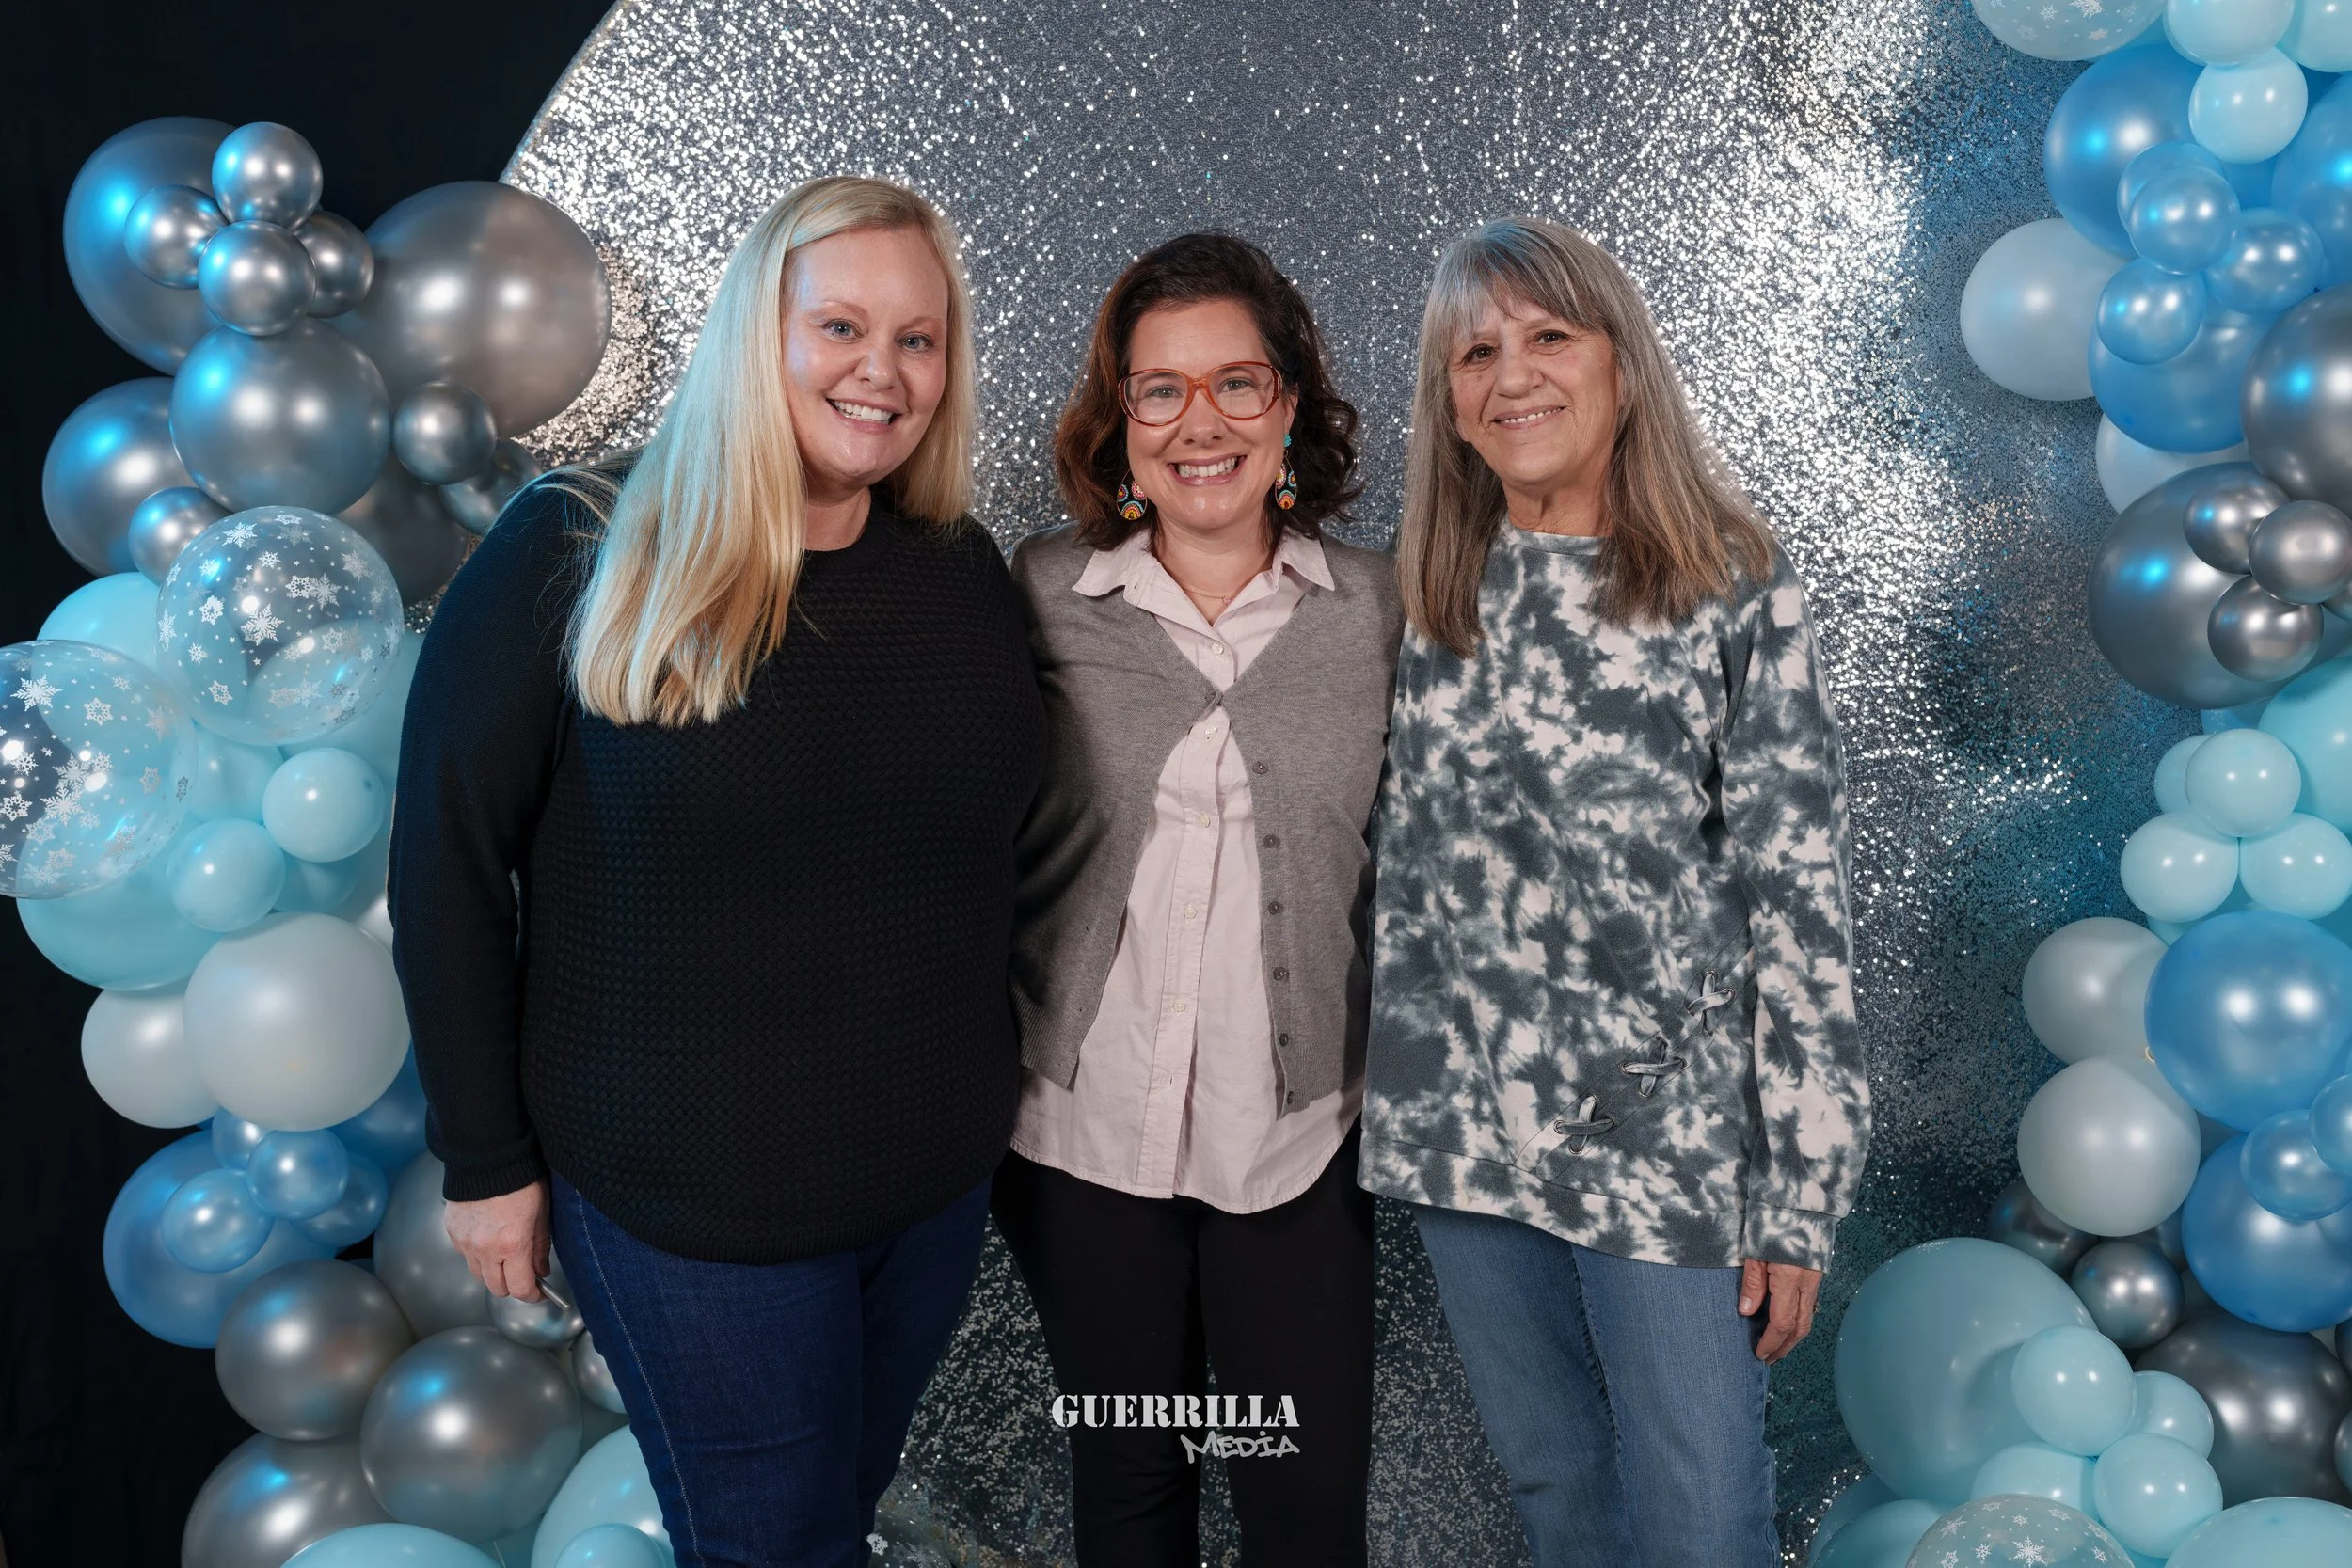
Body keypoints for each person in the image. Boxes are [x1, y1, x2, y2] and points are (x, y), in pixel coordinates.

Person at [387, 176, 1045, 1568]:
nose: (884, 372)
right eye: (843, 327)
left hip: (925, 1186)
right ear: (762, 329)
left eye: (919, 340)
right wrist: (486, 1159)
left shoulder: (960, 566)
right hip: (691, 1202)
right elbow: (447, 859)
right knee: (772, 1547)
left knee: (831, 1520)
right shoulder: (580, 543)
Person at [1359, 214, 1866, 1568]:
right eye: (1476, 351)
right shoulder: (1424, 599)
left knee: (1703, 1510)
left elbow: (1799, 897)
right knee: (1559, 1496)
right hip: (1462, 1127)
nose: (1510, 373)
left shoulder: (1728, 583)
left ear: (1621, 366)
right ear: (1450, 404)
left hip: (1666, 1138)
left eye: (1547, 336)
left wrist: (1798, 1193)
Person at [996, 232, 1403, 1568]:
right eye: (1159, 389)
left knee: (1300, 1516)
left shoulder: (1383, 607)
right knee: (1129, 1501)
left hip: (1291, 1145)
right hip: (1079, 1139)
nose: (1200, 422)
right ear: (1122, 421)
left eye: (1237, 382)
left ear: (1289, 405)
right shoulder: (1044, 593)